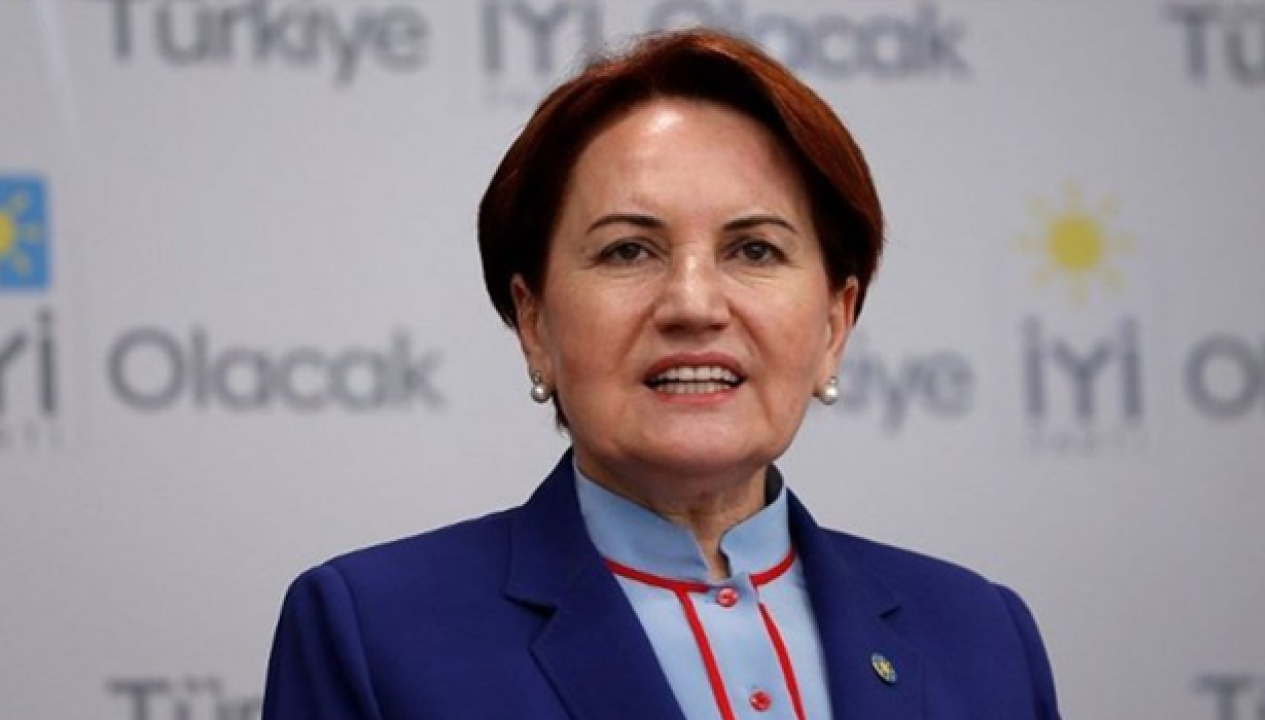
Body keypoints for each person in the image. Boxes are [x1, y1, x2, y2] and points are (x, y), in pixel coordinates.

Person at [264, 28, 1061, 720]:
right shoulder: (373, 631)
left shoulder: (980, 633)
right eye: (628, 250)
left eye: (754, 249)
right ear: (535, 323)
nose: (692, 304)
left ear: (833, 324)